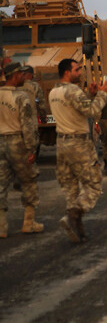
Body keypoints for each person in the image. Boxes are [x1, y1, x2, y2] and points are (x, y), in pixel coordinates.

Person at [49, 58, 107, 243]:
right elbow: (91, 112)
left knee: (71, 188)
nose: (80, 72)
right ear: (67, 72)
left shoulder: (54, 92)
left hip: (62, 144)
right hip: (79, 144)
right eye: (77, 69)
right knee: (94, 184)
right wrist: (101, 95)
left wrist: (90, 96)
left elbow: (76, 110)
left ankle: (76, 227)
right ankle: (73, 216)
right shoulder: (73, 91)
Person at [0, 63, 42, 238]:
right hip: (18, 141)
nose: (23, 78)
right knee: (29, 180)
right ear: (15, 76)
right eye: (21, 75)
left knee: (1, 184)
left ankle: (1, 226)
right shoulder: (21, 96)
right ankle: (29, 222)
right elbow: (28, 124)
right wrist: (32, 148)